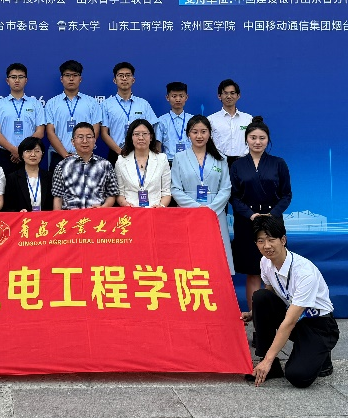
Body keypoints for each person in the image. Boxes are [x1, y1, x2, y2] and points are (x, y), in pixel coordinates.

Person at [245, 215, 339, 389]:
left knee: (298, 376)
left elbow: (289, 322)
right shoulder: (265, 262)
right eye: (261, 241)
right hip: (295, 317)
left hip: (318, 324)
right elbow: (270, 293)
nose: (266, 246)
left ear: (283, 240)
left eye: (271, 240)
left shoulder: (304, 272)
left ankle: (322, 355)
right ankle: (272, 368)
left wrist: (267, 360)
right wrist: (253, 314)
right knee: (260, 297)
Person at [229, 116, 292, 317]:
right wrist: (250, 215)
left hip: (273, 222)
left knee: (275, 270)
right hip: (247, 223)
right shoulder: (237, 165)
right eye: (253, 137)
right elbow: (234, 196)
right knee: (254, 271)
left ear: (268, 140)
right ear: (246, 139)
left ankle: (276, 317)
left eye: (262, 138)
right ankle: (256, 319)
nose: (257, 142)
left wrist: (272, 214)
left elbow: (286, 194)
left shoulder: (278, 163)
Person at [171, 114, 234, 273]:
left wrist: (210, 209)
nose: (199, 136)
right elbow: (175, 189)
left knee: (215, 256)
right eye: (195, 132)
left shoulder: (221, 158)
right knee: (190, 256)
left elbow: (226, 188)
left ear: (210, 133)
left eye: (203, 131)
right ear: (188, 134)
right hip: (188, 212)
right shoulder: (179, 158)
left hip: (215, 212)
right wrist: (197, 209)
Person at [44, 60, 104, 172]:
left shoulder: (91, 103)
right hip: (59, 156)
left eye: (75, 75)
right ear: (61, 79)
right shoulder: (52, 103)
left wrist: (80, 153)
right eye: (67, 75)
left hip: (85, 156)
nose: (71, 79)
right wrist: (65, 155)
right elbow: (50, 132)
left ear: (80, 79)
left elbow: (95, 130)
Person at [0, 63, 46, 174]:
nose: (17, 80)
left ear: (26, 80)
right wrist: (13, 150)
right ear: (7, 80)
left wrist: (23, 150)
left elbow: (40, 132)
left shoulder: (36, 104)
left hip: (30, 154)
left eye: (21, 77)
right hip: (4, 154)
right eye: (13, 77)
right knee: (3, 185)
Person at [99, 62, 157, 164]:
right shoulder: (106, 105)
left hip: (141, 153)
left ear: (133, 80)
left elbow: (152, 130)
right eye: (121, 75)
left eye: (128, 75)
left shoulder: (143, 104)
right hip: (116, 153)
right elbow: (104, 133)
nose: (124, 78)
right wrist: (120, 151)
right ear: (114, 80)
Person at [51, 122, 119, 210]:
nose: (85, 141)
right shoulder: (62, 166)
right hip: (71, 216)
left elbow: (112, 194)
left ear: (94, 140)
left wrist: (103, 207)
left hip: (97, 215)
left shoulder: (105, 165)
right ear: (73, 141)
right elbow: (57, 197)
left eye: (89, 137)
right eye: (80, 137)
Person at [113, 118, 171, 208]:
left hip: (155, 210)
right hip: (131, 211)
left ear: (151, 137)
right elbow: (120, 193)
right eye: (136, 134)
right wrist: (125, 204)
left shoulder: (162, 159)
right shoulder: (121, 161)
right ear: (131, 137)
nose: (141, 138)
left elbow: (166, 192)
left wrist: (161, 206)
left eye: (144, 134)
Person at [2, 136, 53, 212]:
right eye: (28, 151)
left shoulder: (50, 177)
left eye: (37, 151)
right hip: (22, 218)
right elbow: (8, 206)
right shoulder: (13, 178)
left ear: (42, 153)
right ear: (22, 155)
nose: (33, 154)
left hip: (45, 219)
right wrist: (18, 212)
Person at [207, 79, 252, 165]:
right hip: (219, 163)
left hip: (244, 163)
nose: (229, 96)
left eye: (232, 93)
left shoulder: (248, 119)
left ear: (238, 96)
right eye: (225, 93)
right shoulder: (211, 120)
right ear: (219, 96)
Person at [152, 82, 190, 163]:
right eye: (174, 96)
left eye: (181, 96)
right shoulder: (161, 121)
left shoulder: (192, 120)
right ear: (167, 97)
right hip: (169, 162)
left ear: (186, 97)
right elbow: (158, 146)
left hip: (189, 161)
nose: (178, 99)